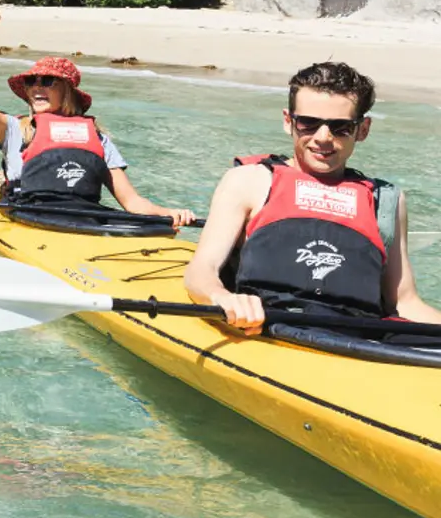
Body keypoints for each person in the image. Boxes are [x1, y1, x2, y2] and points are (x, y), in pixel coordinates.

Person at [183, 61, 441, 333]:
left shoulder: (385, 201)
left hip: (360, 339)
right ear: (288, 122)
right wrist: (223, 298)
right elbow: (201, 271)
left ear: (362, 129)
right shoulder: (249, 181)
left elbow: (404, 301)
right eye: (308, 123)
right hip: (266, 327)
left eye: (340, 127)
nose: (322, 138)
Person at [0, 7, 195, 226]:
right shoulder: (13, 129)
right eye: (30, 81)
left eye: (47, 81)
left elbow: (132, 203)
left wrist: (170, 213)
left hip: (83, 220)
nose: (37, 87)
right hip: (27, 217)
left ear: (67, 91)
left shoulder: (97, 139)